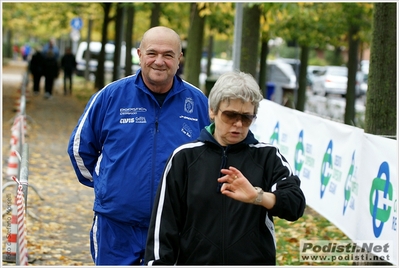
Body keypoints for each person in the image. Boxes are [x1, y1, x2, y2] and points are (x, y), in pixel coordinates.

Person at [67, 26, 210, 265]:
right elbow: (79, 149)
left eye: (168, 55)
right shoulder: (111, 95)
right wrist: (107, 186)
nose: (159, 61)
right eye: (152, 53)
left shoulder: (197, 103)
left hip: (175, 228)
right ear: (139, 54)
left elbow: (212, 157)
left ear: (179, 59)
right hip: (116, 227)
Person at [145, 71, 306, 265]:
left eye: (247, 118)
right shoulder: (184, 158)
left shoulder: (267, 156)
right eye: (230, 115)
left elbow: (295, 204)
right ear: (212, 111)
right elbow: (163, 228)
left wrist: (258, 197)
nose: (238, 124)